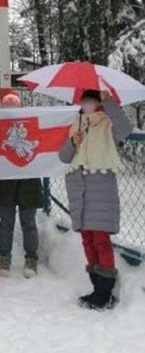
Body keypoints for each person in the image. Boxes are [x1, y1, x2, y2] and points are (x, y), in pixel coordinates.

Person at [59, 89, 132, 310]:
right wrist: (73, 141)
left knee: (101, 239)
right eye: (84, 100)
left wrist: (109, 101)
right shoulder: (77, 122)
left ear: (97, 102)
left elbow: (125, 130)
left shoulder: (106, 122)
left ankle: (105, 292)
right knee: (87, 239)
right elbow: (64, 156)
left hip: (100, 188)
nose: (87, 103)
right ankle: (96, 288)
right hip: (79, 188)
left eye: (91, 100)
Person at [0, 93, 43, 279]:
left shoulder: (29, 125)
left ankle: (31, 259)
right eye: (7, 107)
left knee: (28, 223)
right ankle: (4, 258)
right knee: (6, 224)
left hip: (28, 183)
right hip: (4, 184)